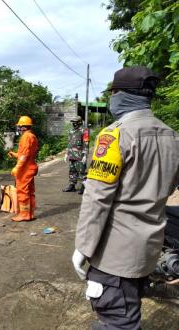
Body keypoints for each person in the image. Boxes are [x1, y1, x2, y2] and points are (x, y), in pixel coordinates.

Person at [72, 66, 179, 330]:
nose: (111, 99)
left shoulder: (114, 135)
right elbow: (170, 186)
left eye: (113, 93)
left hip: (114, 255)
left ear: (123, 95)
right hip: (149, 247)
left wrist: (83, 248)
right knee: (131, 301)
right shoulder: (172, 137)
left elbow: (97, 199)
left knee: (119, 317)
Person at [8, 115, 39, 222]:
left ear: (23, 127)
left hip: (25, 169)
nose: (18, 128)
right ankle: (30, 213)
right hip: (30, 166)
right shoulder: (32, 136)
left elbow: (24, 156)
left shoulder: (26, 137)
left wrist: (17, 167)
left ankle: (24, 214)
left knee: (22, 191)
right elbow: (25, 154)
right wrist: (15, 154)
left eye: (19, 126)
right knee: (29, 191)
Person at [62, 115, 88, 194]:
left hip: (80, 155)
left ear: (79, 122)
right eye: (73, 122)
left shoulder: (84, 130)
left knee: (81, 172)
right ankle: (72, 185)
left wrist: (85, 155)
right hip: (71, 154)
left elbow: (86, 143)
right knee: (72, 171)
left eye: (75, 122)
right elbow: (69, 143)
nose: (73, 124)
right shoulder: (71, 131)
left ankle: (83, 187)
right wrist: (66, 153)